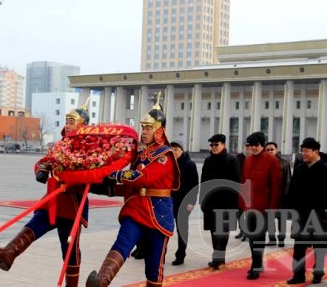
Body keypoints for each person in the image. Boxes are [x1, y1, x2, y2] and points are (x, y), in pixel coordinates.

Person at [0, 105, 90, 287]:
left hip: (72, 204)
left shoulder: (89, 148)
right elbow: (44, 161)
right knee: (34, 225)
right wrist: (41, 170)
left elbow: (93, 173)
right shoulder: (61, 144)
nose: (68, 124)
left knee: (69, 250)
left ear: (83, 125)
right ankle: (8, 254)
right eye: (67, 121)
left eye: (72, 122)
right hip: (53, 198)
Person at [86, 96, 180, 287]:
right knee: (122, 243)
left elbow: (143, 178)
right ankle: (101, 281)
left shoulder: (165, 156)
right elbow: (130, 185)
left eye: (148, 128)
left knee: (154, 268)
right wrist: (99, 185)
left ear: (159, 130)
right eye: (143, 127)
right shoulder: (140, 155)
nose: (143, 132)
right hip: (136, 209)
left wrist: (116, 173)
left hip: (158, 215)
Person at [286, 137, 327, 285]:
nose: (303, 154)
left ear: (316, 151)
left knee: (319, 247)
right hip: (301, 216)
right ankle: (298, 274)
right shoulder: (300, 168)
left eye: (306, 151)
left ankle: (318, 272)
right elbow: (293, 191)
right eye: (302, 151)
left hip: (321, 217)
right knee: (299, 248)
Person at [239, 132, 281, 280]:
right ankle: (257, 263)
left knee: (258, 237)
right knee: (252, 237)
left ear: (262, 145)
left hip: (263, 207)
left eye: (257, 145)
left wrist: (272, 209)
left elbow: (276, 187)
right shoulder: (248, 160)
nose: (255, 148)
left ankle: (256, 266)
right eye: (252, 145)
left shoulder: (271, 161)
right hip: (249, 206)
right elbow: (244, 182)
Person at [200, 133, 241, 270]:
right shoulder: (208, 161)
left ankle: (218, 258)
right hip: (211, 202)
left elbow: (236, 183)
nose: (213, 147)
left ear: (224, 145)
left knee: (222, 231)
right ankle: (217, 257)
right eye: (211, 145)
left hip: (226, 202)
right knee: (213, 230)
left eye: (216, 145)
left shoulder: (232, 160)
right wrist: (202, 201)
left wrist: (235, 203)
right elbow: (203, 182)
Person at [170, 141, 199, 266]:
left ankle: (181, 255)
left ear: (182, 150)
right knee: (164, 228)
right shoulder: (168, 163)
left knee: (182, 229)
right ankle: (160, 253)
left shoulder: (189, 164)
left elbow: (194, 185)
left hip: (183, 202)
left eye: (176, 149)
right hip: (168, 201)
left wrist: (192, 202)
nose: (174, 152)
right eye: (172, 149)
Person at [264, 141, 291, 247]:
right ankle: (271, 239)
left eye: (272, 149)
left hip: (281, 196)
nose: (270, 151)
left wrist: (285, 195)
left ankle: (281, 239)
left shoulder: (284, 163)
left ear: (277, 150)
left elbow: (288, 181)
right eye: (268, 149)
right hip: (268, 196)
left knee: (281, 219)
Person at [234, 142, 252, 242]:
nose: (248, 148)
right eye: (246, 146)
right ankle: (242, 230)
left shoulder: (255, 158)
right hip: (239, 188)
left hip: (250, 189)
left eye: (250, 146)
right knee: (239, 211)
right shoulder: (238, 157)